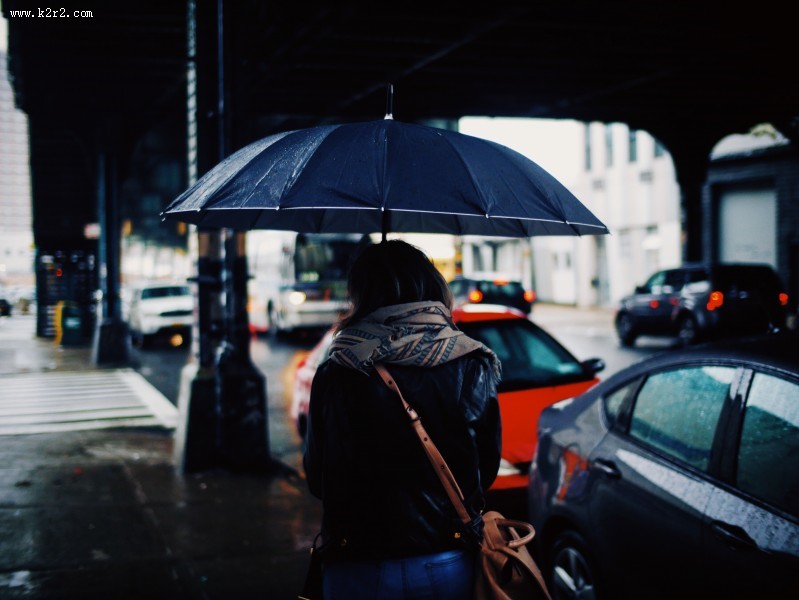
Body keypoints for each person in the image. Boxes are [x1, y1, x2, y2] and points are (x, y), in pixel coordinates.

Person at [304, 239, 502, 599]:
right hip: (445, 558)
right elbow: (484, 471)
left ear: (361, 294)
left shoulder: (337, 369)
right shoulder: (472, 363)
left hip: (355, 562)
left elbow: (318, 477)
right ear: (433, 286)